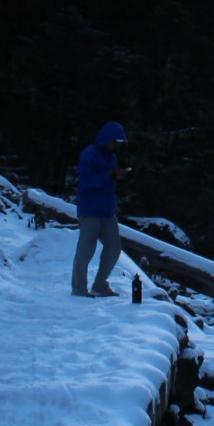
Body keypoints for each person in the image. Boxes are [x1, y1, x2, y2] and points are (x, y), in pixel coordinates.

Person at [72, 121, 130, 297]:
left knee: (114, 247)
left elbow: (107, 181)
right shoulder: (89, 154)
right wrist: (111, 175)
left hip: (107, 211)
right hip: (90, 210)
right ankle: (79, 289)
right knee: (86, 250)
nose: (116, 145)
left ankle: (100, 285)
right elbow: (87, 182)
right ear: (107, 139)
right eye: (115, 141)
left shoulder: (111, 156)